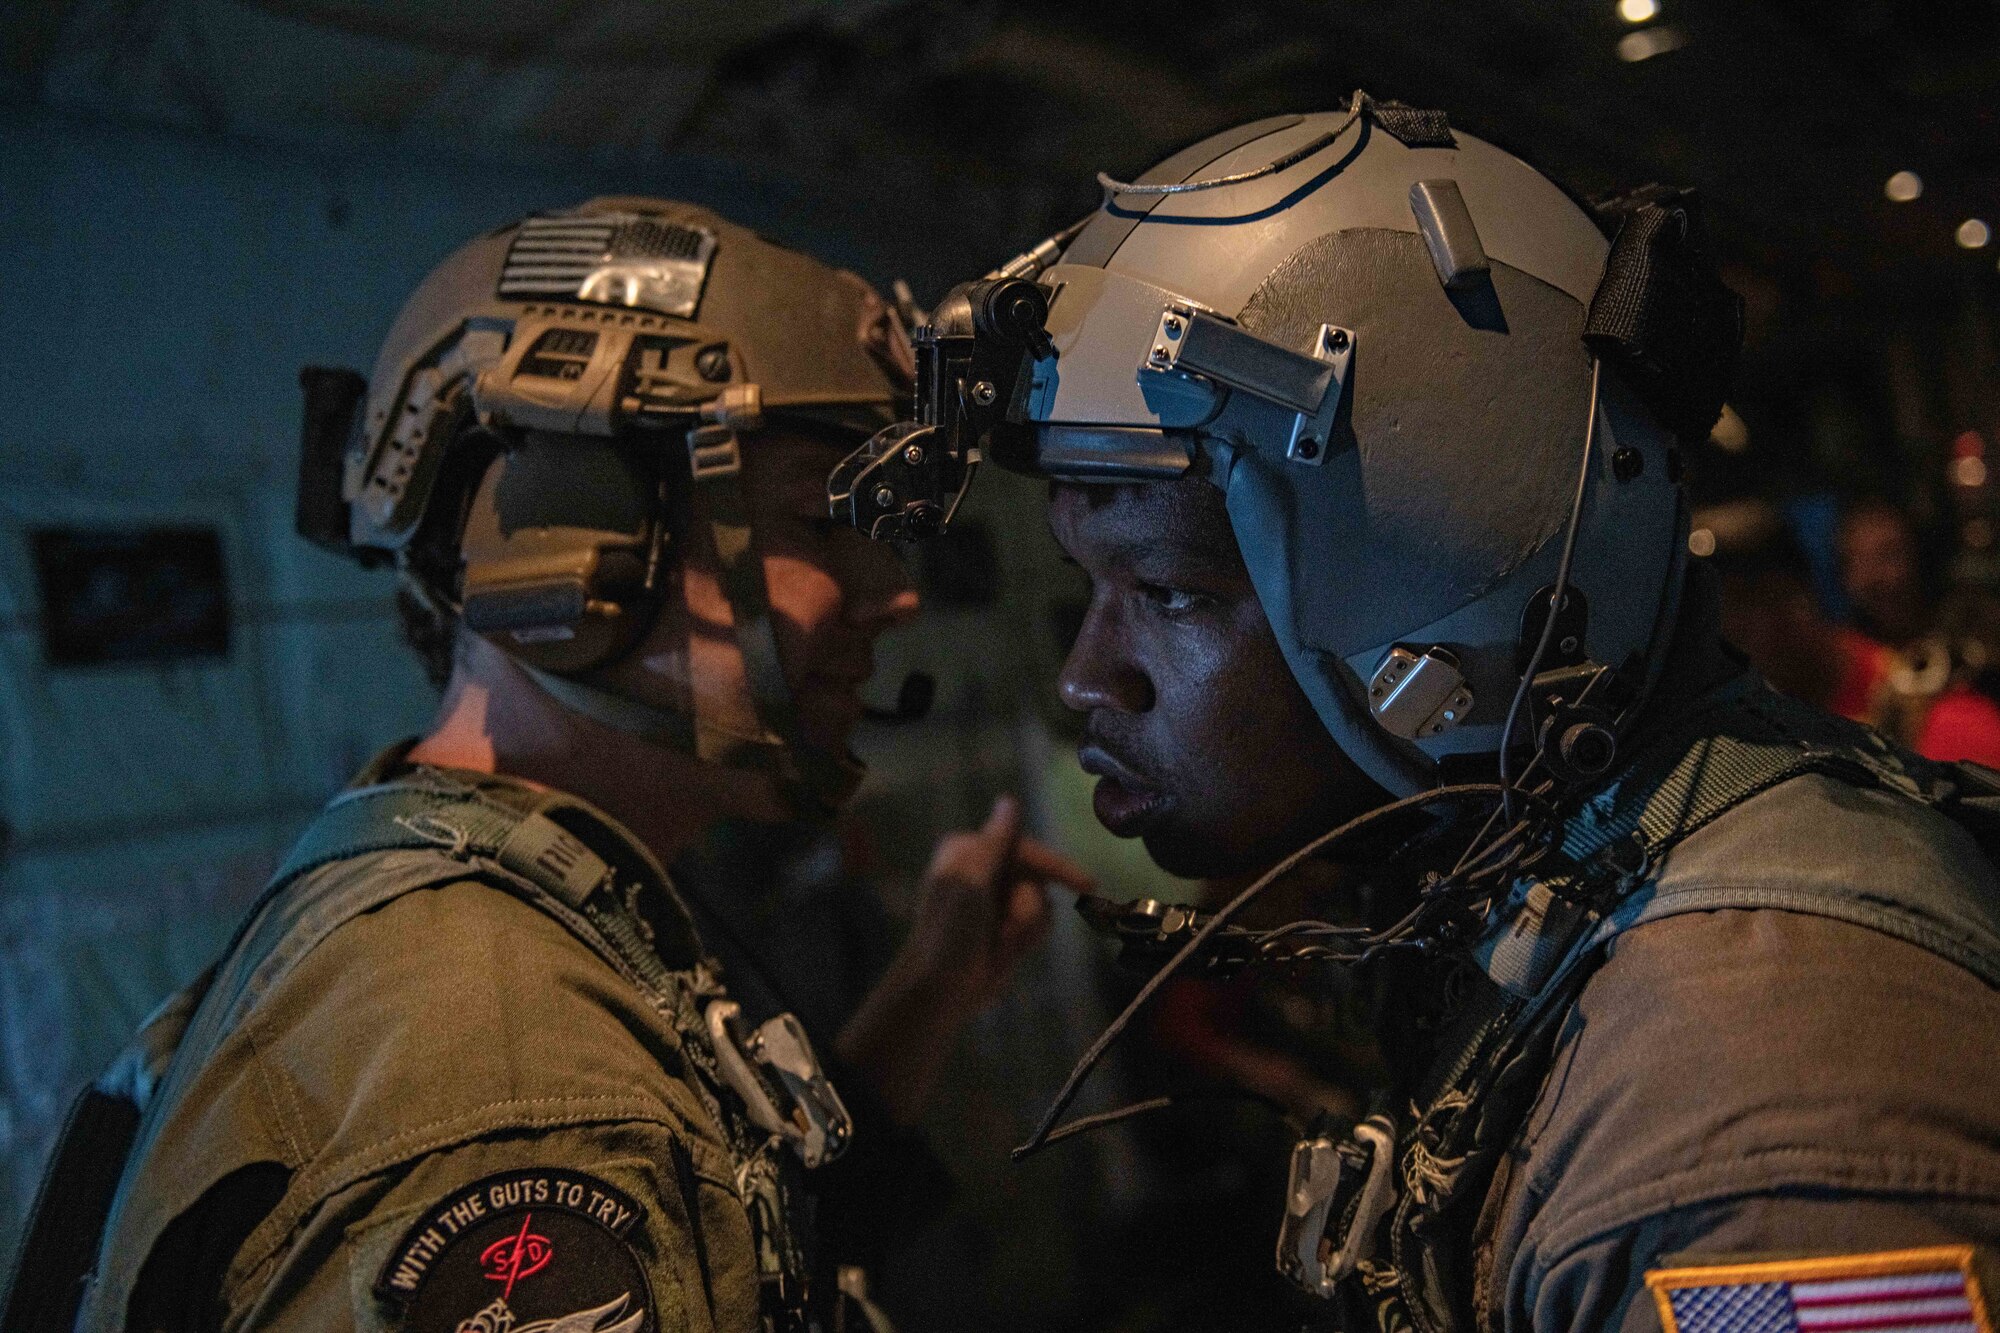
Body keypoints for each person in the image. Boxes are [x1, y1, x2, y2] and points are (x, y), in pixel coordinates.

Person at [830, 97, 2000, 1332]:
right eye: (1088, 586)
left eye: (1164, 590)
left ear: (1452, 589)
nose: (1085, 676)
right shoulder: (1573, 892)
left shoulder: (1749, 1110)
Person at [4, 197, 1090, 1333]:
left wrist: (929, 989)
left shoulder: (461, 899)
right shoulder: (507, 1073)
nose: (893, 592)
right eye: (820, 522)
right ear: (563, 546)